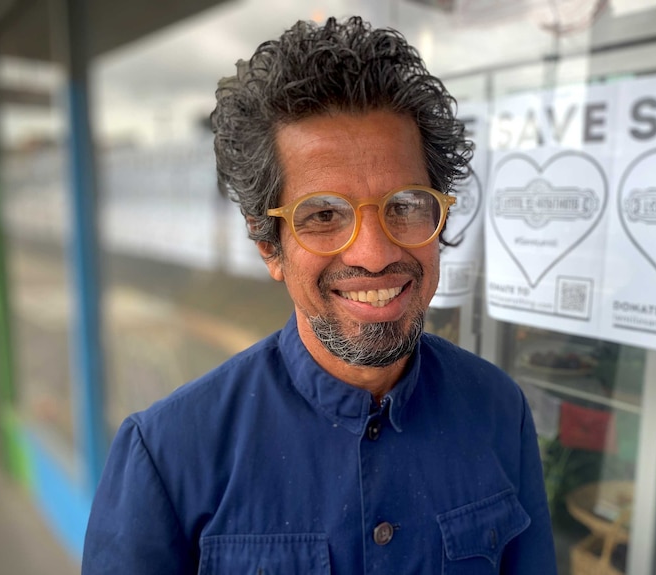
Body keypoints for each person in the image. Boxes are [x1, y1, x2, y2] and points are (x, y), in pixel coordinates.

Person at [82, 16, 557, 575]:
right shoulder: (167, 457)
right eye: (324, 215)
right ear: (269, 245)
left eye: (405, 204)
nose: (375, 253)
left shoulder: (500, 412)